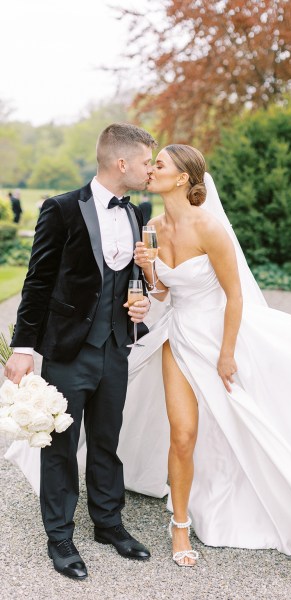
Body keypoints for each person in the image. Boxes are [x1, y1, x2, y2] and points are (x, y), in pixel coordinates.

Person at [6, 145, 291, 568]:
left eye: (159, 164)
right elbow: (158, 291)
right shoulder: (149, 223)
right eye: (149, 161)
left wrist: (227, 353)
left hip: (221, 337)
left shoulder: (210, 229)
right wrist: (149, 271)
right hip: (178, 336)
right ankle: (174, 526)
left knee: (251, 421)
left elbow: (235, 296)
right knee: (183, 434)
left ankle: (140, 518)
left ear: (181, 179)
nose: (151, 168)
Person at [4, 123, 156, 581]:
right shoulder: (62, 208)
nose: (151, 170)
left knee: (108, 441)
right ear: (121, 163)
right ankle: (61, 537)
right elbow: (38, 280)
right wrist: (24, 347)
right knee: (61, 446)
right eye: (147, 162)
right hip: (70, 350)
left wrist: (142, 298)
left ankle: (109, 525)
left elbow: (130, 275)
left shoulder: (137, 212)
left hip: (116, 346)